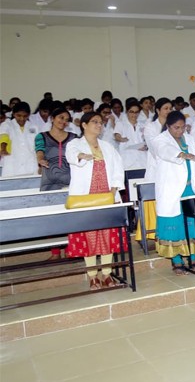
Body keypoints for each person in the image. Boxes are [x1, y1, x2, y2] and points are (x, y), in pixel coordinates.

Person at [65, 112, 126, 289]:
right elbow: (72, 156)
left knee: (108, 234)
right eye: (95, 122)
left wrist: (113, 190)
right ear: (84, 125)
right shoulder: (75, 144)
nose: (99, 125)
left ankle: (107, 274)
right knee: (89, 236)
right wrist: (83, 156)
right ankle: (92, 275)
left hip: (107, 195)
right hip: (86, 197)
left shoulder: (107, 146)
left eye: (101, 123)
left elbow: (118, 169)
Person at [153, 111, 195, 275]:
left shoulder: (189, 139)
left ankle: (193, 257)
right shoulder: (160, 140)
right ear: (168, 126)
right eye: (176, 128)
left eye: (183, 127)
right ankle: (176, 260)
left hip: (189, 188)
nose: (180, 131)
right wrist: (181, 154)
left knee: (192, 224)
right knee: (175, 225)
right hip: (171, 190)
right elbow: (164, 151)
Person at [35, 107, 75, 260]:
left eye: (66, 119)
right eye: (60, 118)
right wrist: (40, 159)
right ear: (52, 118)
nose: (63, 122)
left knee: (69, 217)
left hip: (70, 182)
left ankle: (70, 250)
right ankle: (55, 253)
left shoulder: (73, 137)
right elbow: (39, 151)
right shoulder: (41, 136)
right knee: (51, 218)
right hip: (49, 183)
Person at [0, 102, 39, 177]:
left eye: (25, 116)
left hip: (31, 166)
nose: (22, 118)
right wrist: (3, 149)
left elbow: (38, 145)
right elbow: (4, 136)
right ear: (14, 114)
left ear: (29, 115)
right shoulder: (7, 125)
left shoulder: (34, 127)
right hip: (13, 167)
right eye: (19, 115)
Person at [114, 100, 148, 170]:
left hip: (143, 161)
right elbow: (117, 136)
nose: (134, 114)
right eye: (131, 112)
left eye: (136, 112)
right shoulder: (120, 124)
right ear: (126, 112)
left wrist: (147, 146)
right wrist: (121, 139)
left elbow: (148, 140)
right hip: (128, 162)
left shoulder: (144, 125)